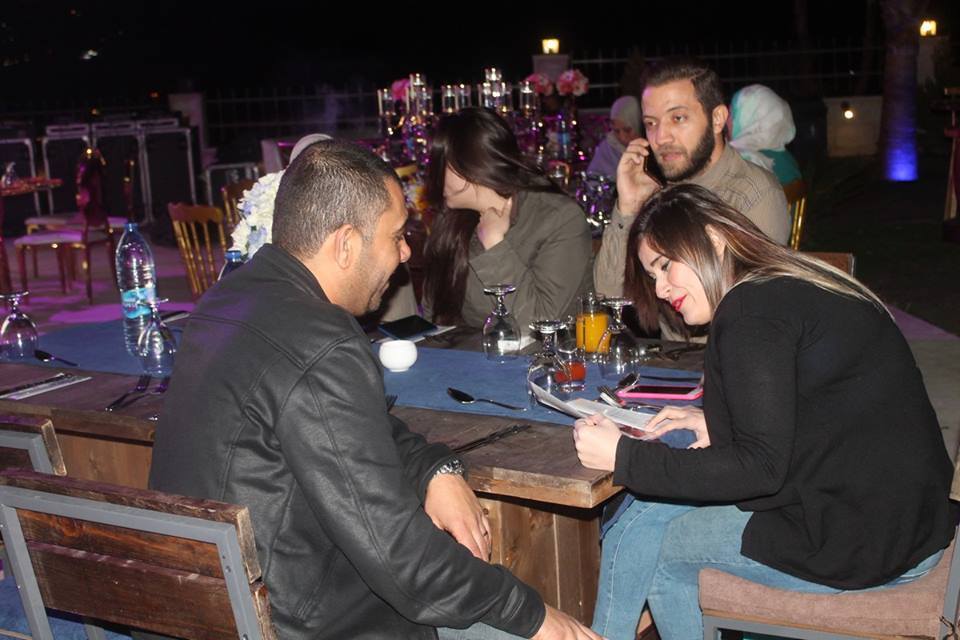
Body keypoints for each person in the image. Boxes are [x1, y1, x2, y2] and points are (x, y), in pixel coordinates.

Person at [148, 140, 598, 640]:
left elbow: (355, 428)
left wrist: (434, 469)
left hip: (201, 604)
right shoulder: (320, 340)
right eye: (397, 236)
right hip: (291, 622)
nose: (406, 254)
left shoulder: (228, 297)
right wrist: (535, 616)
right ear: (345, 244)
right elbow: (401, 559)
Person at [574, 184, 958, 640]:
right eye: (652, 275)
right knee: (647, 513)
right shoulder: (785, 284)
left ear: (714, 238)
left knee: (661, 549)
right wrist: (718, 421)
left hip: (865, 540)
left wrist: (623, 456)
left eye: (665, 265)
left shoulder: (751, 313)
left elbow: (759, 470)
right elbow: (825, 404)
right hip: (907, 515)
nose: (660, 289)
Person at [593, 57, 790, 300]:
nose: (661, 137)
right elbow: (608, 295)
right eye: (651, 123)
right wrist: (629, 208)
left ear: (717, 119)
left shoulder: (752, 195)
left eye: (678, 118)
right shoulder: (658, 195)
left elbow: (751, 307)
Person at [421, 107, 593, 333]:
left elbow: (540, 326)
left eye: (440, 163)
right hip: (467, 353)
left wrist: (494, 245)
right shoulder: (453, 219)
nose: (431, 174)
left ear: (473, 165)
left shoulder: (559, 219)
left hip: (552, 354)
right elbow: (434, 316)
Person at [728, 84, 802, 186]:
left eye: (732, 113)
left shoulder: (738, 163)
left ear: (747, 120)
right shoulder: (788, 162)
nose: (727, 120)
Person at [586, 96, 641, 180]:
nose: (622, 138)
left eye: (627, 130)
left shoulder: (653, 146)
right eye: (616, 131)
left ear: (638, 125)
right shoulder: (608, 148)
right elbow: (592, 180)